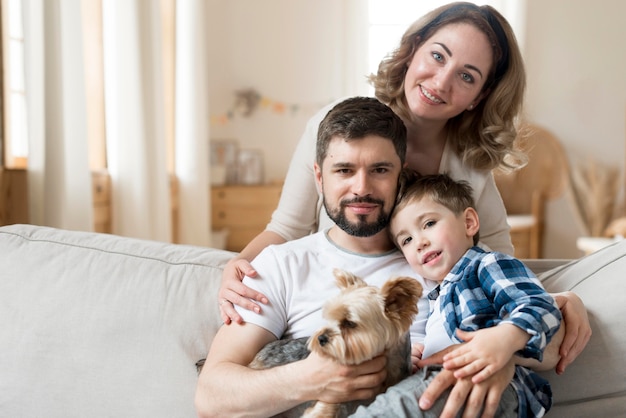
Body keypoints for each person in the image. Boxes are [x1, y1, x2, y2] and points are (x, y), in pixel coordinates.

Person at [216, 2, 591, 377]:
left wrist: (552, 300)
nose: (441, 82)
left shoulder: (470, 166)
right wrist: (236, 266)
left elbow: (498, 263)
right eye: (438, 56)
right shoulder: (337, 127)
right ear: (412, 49)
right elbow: (286, 227)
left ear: (480, 94)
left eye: (467, 76)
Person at [197, 97, 526, 418]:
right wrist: (312, 379)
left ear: (401, 175)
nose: (361, 187)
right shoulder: (281, 265)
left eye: (380, 170)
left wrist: (504, 357)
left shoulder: (440, 260)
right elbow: (211, 397)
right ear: (319, 177)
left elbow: (533, 327)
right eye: (344, 170)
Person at [375, 172, 563, 417]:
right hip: (441, 379)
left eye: (429, 224)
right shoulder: (437, 296)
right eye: (407, 239)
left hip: (496, 384)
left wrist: (506, 336)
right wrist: (417, 356)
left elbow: (540, 305)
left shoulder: (486, 265)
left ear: (469, 223)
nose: (419, 242)